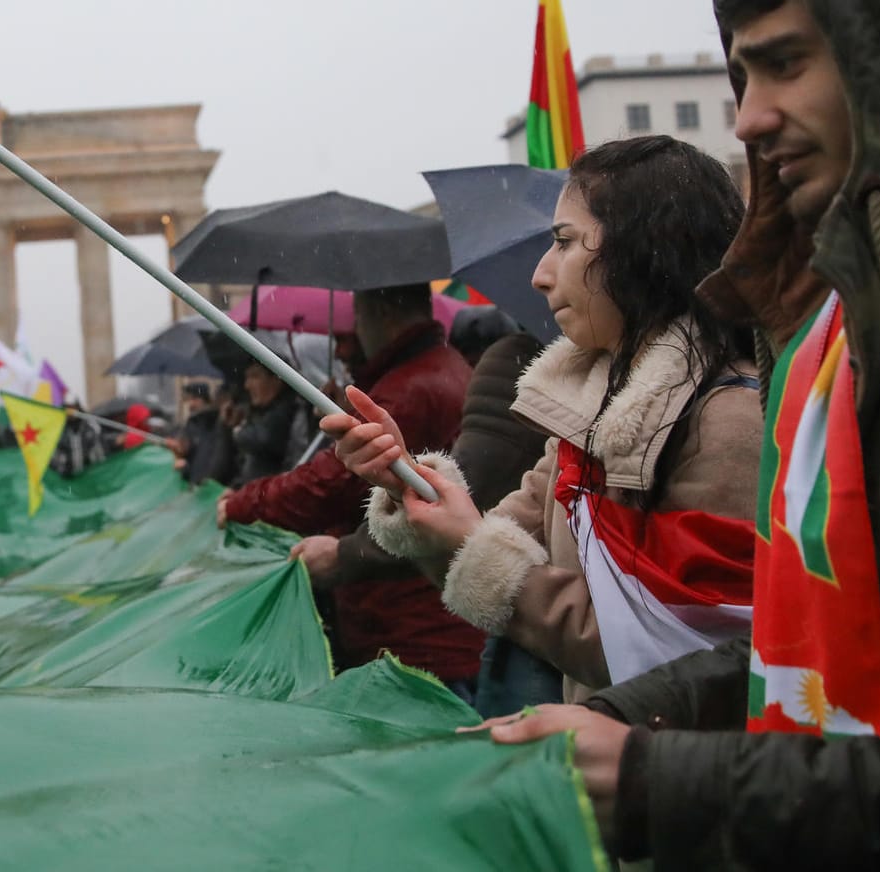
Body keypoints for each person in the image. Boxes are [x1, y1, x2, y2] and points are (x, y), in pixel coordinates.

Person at [464, 0, 880, 867]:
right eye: (742, 79)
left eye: (785, 67)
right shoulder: (826, 343)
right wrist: (631, 723)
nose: (747, 119)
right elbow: (795, 644)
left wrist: (658, 778)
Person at [330, 137, 761, 707]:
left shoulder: (730, 420)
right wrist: (409, 485)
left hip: (670, 776)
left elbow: (689, 662)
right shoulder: (585, 413)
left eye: (564, 242)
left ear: (644, 249)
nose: (540, 274)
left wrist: (469, 543)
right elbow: (487, 543)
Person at [218, 284, 484, 683]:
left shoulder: (404, 391)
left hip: (410, 631)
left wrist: (242, 504)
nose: (346, 343)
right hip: (429, 617)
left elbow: (329, 485)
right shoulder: (439, 369)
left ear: (382, 315)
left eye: (356, 320)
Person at [296, 326, 556, 715]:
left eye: (347, 335)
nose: (544, 274)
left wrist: (345, 554)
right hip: (458, 633)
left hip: (431, 638)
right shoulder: (458, 370)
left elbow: (475, 495)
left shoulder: (439, 379)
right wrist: (405, 490)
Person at [230, 362, 300, 483]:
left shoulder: (286, 412)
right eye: (247, 378)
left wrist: (238, 430)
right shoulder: (259, 413)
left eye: (255, 376)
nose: (247, 385)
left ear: (276, 380)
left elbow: (264, 440)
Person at [169, 382, 235, 485]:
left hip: (209, 488)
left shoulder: (217, 424)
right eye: (189, 399)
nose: (191, 404)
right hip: (197, 487)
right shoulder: (192, 424)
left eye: (194, 399)